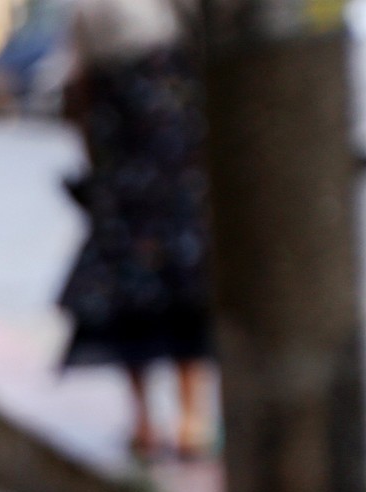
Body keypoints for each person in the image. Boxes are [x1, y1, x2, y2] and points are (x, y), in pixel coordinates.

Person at [56, 0, 212, 459]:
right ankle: (190, 420)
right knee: (182, 292)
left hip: (128, 170)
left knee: (135, 296)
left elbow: (79, 92)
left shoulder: (89, 14)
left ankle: (150, 422)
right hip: (169, 164)